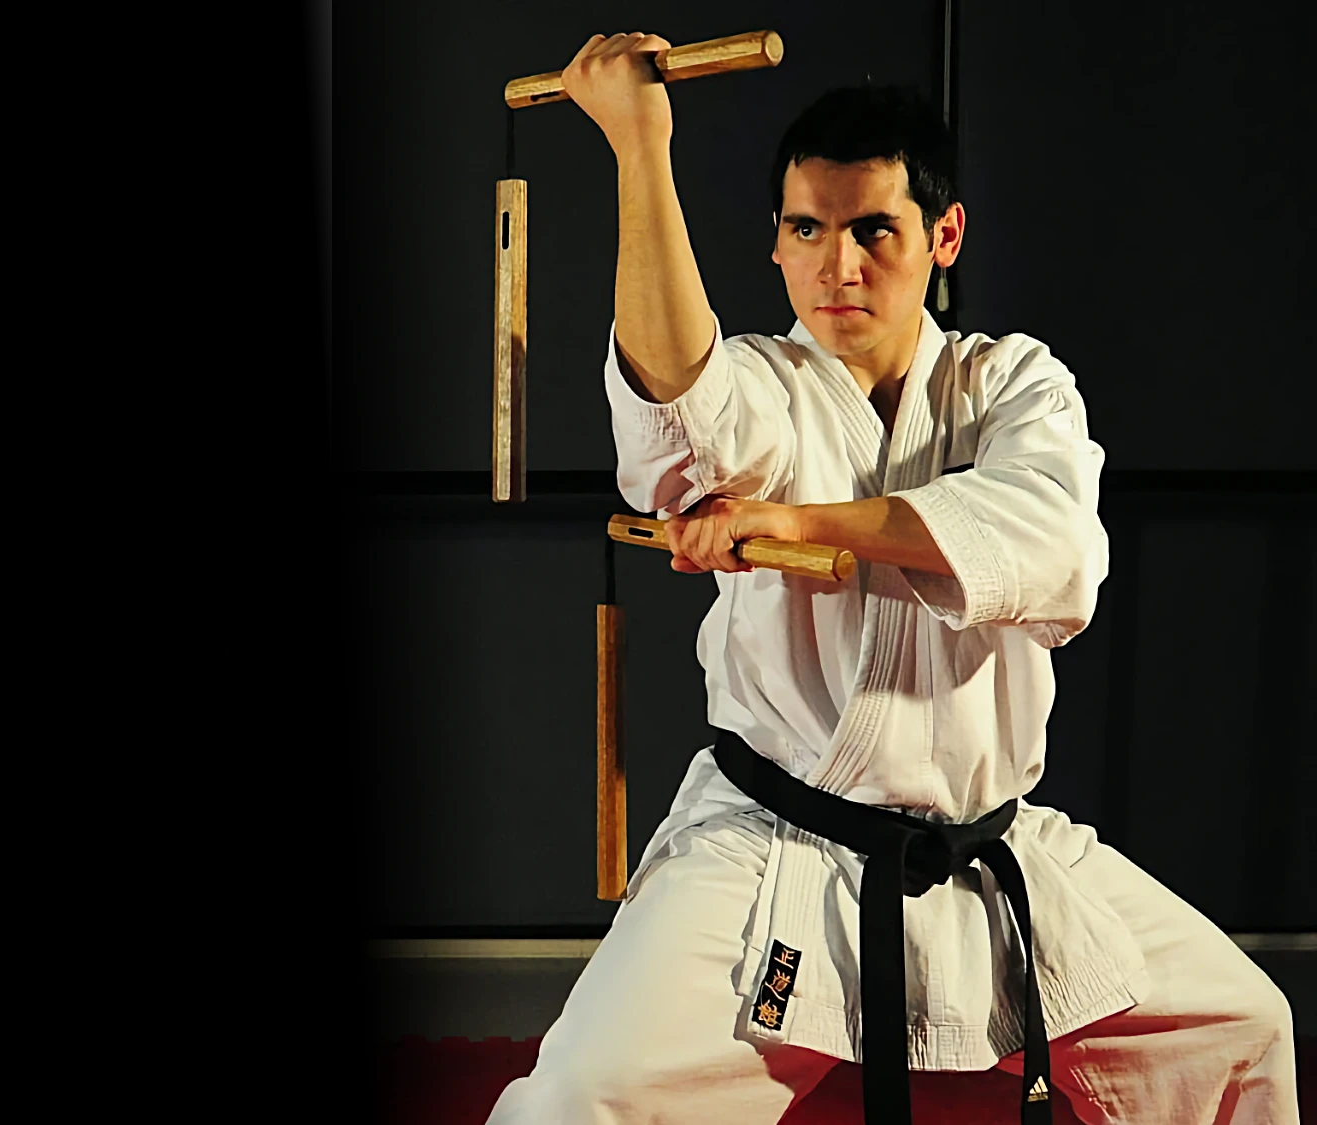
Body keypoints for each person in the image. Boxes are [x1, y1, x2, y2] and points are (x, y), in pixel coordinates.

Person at [484, 32, 1299, 1125]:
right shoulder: (766, 387)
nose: (839, 267)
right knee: (581, 1095)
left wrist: (796, 521)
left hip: (986, 847)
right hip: (772, 850)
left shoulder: (1010, 382)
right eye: (806, 230)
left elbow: (1052, 544)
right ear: (776, 243)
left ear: (942, 235)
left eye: (873, 229)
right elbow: (681, 406)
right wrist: (640, 147)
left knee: (1241, 1026)